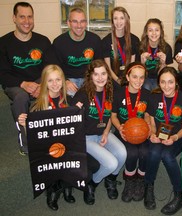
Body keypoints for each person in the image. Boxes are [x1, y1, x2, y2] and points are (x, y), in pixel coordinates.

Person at [18, 65, 77, 210]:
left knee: (74, 155)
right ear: (44, 82)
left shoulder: (70, 101)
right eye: (50, 81)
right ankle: (53, 190)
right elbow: (33, 139)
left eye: (58, 79)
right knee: (53, 158)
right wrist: (25, 125)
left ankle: (68, 186)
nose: (55, 84)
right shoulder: (37, 106)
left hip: (67, 144)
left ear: (63, 81)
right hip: (48, 149)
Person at [72, 59, 127, 204]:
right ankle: (92, 184)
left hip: (103, 132)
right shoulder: (82, 94)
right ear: (90, 76)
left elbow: (108, 116)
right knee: (111, 163)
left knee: (123, 153)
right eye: (96, 74)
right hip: (86, 137)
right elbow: (72, 120)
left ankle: (110, 180)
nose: (100, 78)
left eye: (103, 73)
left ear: (108, 75)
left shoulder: (110, 91)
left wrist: (105, 132)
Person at [0, 2, 51, 155]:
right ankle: (26, 141)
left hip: (38, 81)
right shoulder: (3, 43)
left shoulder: (43, 41)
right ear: (14, 18)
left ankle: (48, 136)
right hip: (15, 84)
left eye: (30, 17)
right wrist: (23, 84)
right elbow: (2, 74)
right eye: (22, 17)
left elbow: (49, 68)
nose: (27, 21)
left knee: (53, 90)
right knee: (21, 97)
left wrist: (41, 85)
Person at [144, 67, 182, 215]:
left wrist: (174, 137)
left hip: (178, 136)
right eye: (163, 82)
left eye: (170, 82)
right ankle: (148, 186)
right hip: (159, 134)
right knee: (153, 152)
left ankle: (179, 195)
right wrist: (152, 133)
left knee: (167, 155)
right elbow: (149, 119)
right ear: (158, 83)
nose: (166, 86)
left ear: (176, 82)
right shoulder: (154, 98)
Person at [111, 62, 150, 203]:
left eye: (141, 77)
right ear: (127, 77)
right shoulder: (118, 94)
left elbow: (147, 114)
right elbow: (113, 116)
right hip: (124, 132)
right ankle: (129, 181)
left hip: (141, 132)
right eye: (134, 77)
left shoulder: (146, 94)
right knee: (132, 153)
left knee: (145, 152)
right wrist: (119, 128)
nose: (138, 81)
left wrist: (148, 124)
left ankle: (140, 180)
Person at [47, 7, 102, 97]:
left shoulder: (95, 40)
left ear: (86, 23)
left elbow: (100, 65)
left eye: (82, 21)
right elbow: (54, 68)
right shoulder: (59, 42)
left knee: (93, 97)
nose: (79, 25)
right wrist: (65, 81)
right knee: (71, 98)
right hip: (69, 80)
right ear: (69, 23)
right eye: (75, 21)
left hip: (89, 78)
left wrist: (93, 80)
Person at [102, 6, 140, 89]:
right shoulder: (106, 41)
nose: (118, 22)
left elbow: (132, 64)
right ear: (112, 21)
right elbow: (107, 68)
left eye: (122, 18)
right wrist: (118, 80)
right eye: (115, 18)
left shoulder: (134, 40)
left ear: (126, 20)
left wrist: (128, 80)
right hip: (113, 80)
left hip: (129, 79)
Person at [139, 18, 173, 91]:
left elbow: (163, 74)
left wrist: (163, 63)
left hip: (159, 78)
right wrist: (142, 63)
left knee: (157, 89)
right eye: (150, 30)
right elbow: (139, 74)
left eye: (157, 30)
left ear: (161, 32)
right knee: (146, 87)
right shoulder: (140, 47)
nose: (154, 33)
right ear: (146, 32)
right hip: (145, 77)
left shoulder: (167, 48)